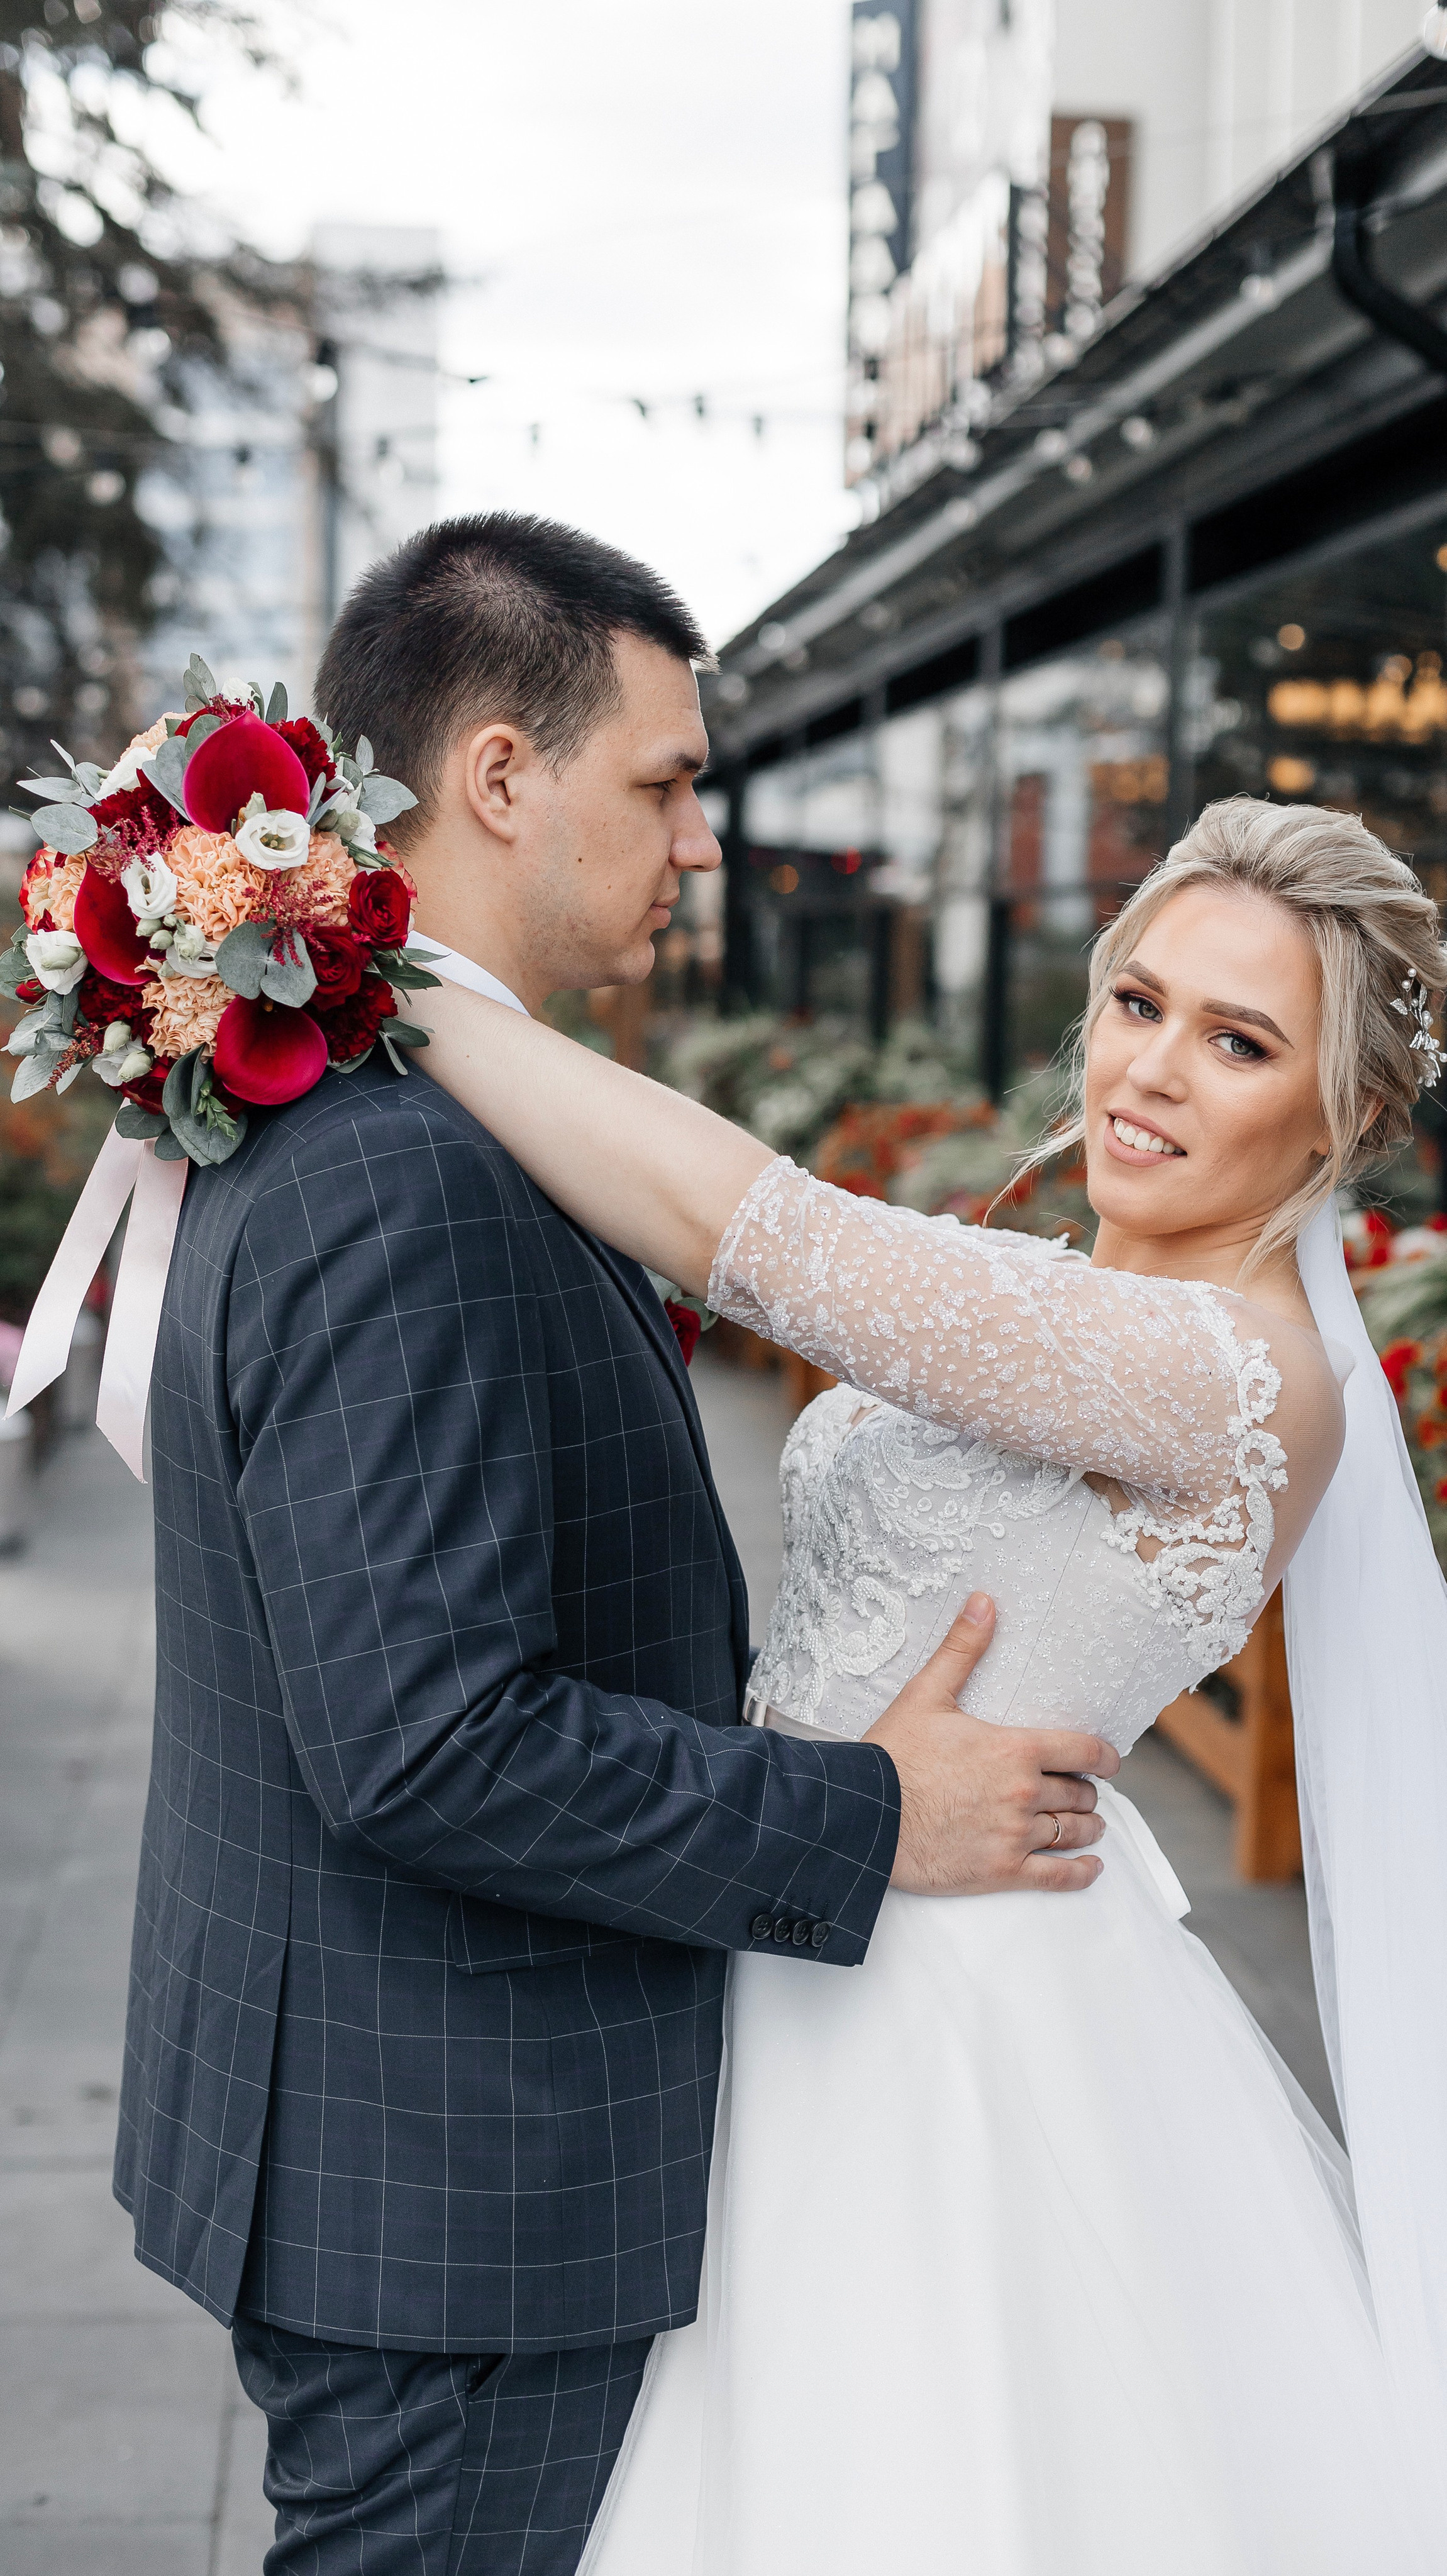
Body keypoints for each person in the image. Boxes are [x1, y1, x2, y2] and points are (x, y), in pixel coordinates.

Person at [113, 516, 1115, 2576]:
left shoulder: (382, 1097)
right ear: (499, 772)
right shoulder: (401, 1172)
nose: (702, 843)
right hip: (452, 2184)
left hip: (387, 2124)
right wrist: (868, 1815)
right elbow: (428, 1741)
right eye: (666, 782)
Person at [413, 792, 1447, 2569]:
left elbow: (761, 1234)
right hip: (788, 1903)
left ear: (1345, 1113)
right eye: (1138, 1003)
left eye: (1240, 1040)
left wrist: (381, 971)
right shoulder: (1046, 1291)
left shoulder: (1248, 1383)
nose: (1151, 1072)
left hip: (955, 2010)